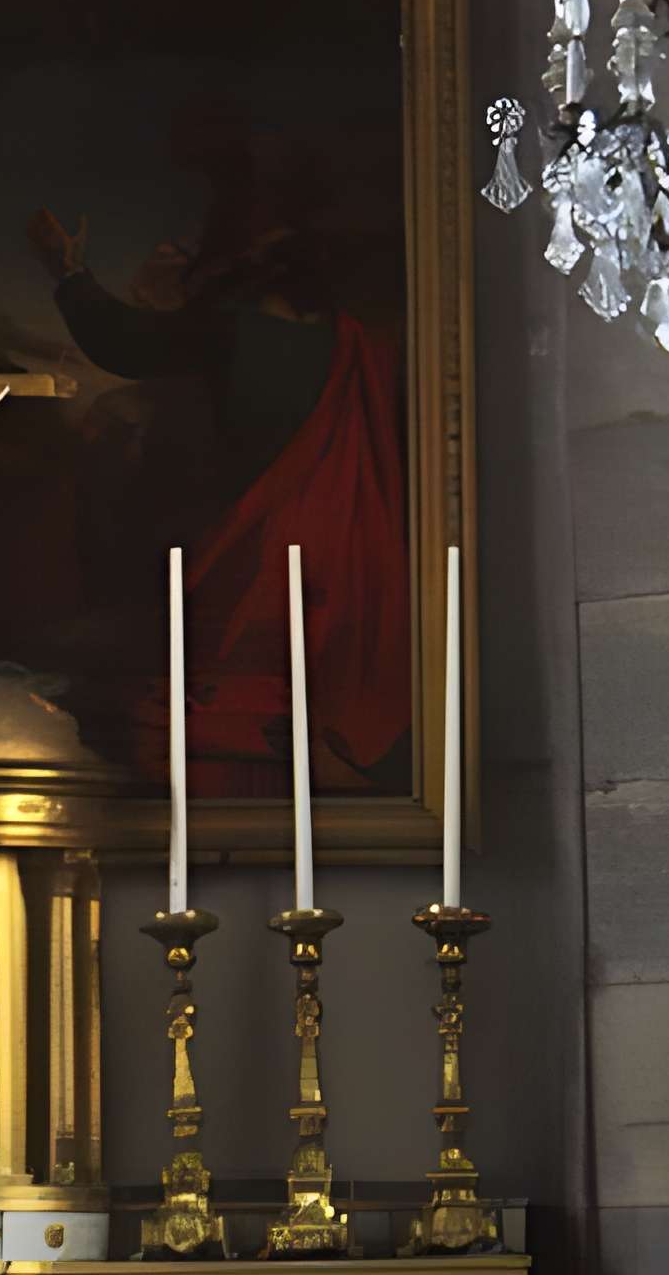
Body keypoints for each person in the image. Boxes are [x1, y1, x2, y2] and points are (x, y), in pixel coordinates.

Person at [26, 126, 408, 792]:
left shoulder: (234, 329)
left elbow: (129, 344)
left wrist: (68, 271)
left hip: (261, 533)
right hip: (347, 535)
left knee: (234, 670)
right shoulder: (354, 342)